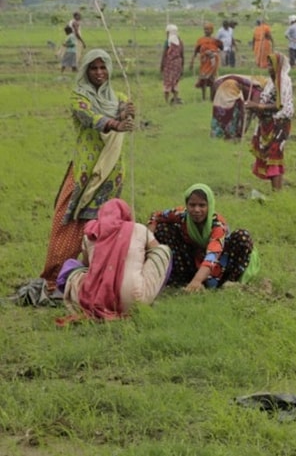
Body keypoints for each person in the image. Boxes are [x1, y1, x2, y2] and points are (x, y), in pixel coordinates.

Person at [42, 49, 135, 292]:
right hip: (84, 171)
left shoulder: (118, 97)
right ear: (85, 70)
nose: (99, 72)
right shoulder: (78, 97)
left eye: (103, 67)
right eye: (93, 68)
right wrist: (116, 123)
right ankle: (56, 276)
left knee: (103, 223)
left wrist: (127, 113)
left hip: (111, 171)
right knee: (69, 219)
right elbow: (91, 117)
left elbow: (123, 111)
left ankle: (94, 277)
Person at [58, 199, 172, 321]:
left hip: (93, 298)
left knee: (71, 265)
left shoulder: (91, 232)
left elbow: (86, 265)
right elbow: (155, 249)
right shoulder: (139, 229)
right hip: (136, 301)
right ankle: (151, 295)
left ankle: (97, 296)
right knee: (163, 250)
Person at [148, 184, 258, 292]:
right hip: (194, 258)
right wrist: (149, 239)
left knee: (242, 236)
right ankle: (179, 278)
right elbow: (156, 216)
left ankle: (230, 282)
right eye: (192, 205)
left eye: (202, 205)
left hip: (221, 261)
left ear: (209, 206)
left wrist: (197, 281)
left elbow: (212, 255)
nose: (197, 210)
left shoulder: (218, 225)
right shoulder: (182, 215)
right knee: (163, 229)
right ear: (187, 205)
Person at [248, 53, 294, 191]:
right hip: (268, 122)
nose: (269, 67)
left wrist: (258, 106)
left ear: (278, 65)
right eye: (268, 64)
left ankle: (277, 193)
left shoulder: (283, 80)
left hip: (280, 123)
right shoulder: (270, 82)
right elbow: (264, 99)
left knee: (275, 155)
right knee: (268, 156)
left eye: (271, 64)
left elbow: (280, 105)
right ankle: (275, 191)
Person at [210, 74, 265, 140]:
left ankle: (219, 134)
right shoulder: (257, 90)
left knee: (220, 113)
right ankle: (234, 135)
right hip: (230, 89)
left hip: (221, 90)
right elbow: (254, 106)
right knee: (235, 114)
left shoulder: (248, 82)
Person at [190, 23, 222, 101]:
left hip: (213, 63)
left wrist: (214, 52)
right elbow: (195, 51)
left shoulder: (215, 40)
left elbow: (221, 48)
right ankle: (204, 97)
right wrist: (192, 61)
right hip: (204, 62)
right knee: (203, 79)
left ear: (212, 30)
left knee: (212, 80)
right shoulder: (201, 40)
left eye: (208, 29)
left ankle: (212, 97)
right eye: (205, 29)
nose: (206, 31)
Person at [160, 24, 184, 105]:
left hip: (169, 65)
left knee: (167, 82)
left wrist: (161, 65)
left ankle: (166, 101)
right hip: (178, 65)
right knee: (175, 82)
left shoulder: (168, 42)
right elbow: (182, 55)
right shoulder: (180, 42)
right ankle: (175, 99)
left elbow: (164, 54)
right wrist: (182, 67)